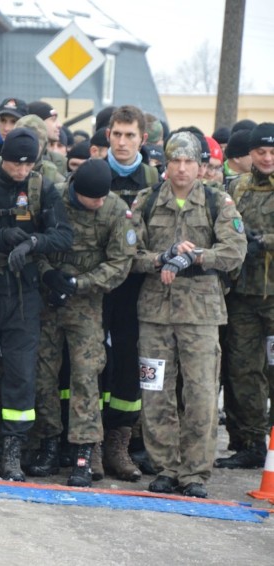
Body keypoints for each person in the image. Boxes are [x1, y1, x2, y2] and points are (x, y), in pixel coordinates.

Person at [0, 128, 73, 479]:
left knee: (21, 372)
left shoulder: (42, 187)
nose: (20, 171)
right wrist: (1, 237)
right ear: (3, 158)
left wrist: (32, 242)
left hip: (24, 294)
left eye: (27, 165)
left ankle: (13, 449)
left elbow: (64, 234)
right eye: (14, 164)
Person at [131, 132, 246, 498]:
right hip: (155, 312)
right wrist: (159, 257)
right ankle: (165, 466)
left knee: (200, 394)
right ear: (165, 164)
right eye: (174, 161)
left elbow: (234, 252)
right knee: (156, 393)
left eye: (188, 162)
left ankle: (194, 472)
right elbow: (127, 256)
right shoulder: (146, 201)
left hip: (200, 314)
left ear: (200, 165)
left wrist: (195, 256)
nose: (181, 168)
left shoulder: (217, 201)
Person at [29, 159, 135, 487]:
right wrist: (49, 275)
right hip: (48, 299)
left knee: (86, 375)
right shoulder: (52, 198)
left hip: (87, 303)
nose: (99, 203)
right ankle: (48, 442)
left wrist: (80, 284)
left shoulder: (115, 209)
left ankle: (84, 451)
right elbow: (34, 242)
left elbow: (120, 263)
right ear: (77, 192)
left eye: (103, 198)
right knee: (43, 375)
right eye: (93, 199)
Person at [100, 105, 159, 482]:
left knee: (127, 366)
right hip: (96, 287)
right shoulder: (92, 174)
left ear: (143, 139)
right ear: (108, 135)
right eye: (117, 134)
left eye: (130, 136)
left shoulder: (155, 180)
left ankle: (119, 444)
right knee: (88, 365)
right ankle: (85, 443)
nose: (122, 142)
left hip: (136, 289)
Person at [216, 123, 274, 470]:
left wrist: (262, 241)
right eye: (261, 152)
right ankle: (249, 441)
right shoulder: (236, 188)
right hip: (241, 296)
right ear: (249, 154)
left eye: (271, 152)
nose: (267, 158)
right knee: (241, 370)